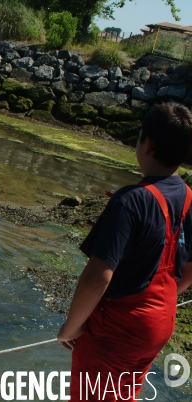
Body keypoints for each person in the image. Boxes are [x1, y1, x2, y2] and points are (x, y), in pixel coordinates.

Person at [57, 103, 192, 401]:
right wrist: (161, 304)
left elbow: (97, 277)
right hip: (159, 324)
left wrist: (71, 327)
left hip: (118, 330)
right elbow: (189, 269)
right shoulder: (189, 198)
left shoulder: (131, 201)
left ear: (148, 144)